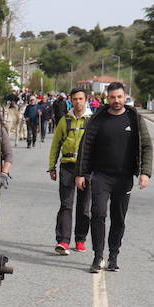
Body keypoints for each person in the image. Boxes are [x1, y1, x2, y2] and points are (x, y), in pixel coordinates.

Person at [75, 82, 153, 273]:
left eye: (119, 97)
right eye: (112, 97)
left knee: (118, 218)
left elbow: (146, 146)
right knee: (98, 214)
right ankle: (97, 256)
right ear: (107, 98)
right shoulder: (98, 119)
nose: (116, 100)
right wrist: (81, 173)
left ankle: (113, 255)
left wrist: (145, 172)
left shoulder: (134, 118)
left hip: (124, 177)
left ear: (125, 96)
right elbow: (85, 147)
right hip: (101, 176)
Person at [47, 88, 93, 255]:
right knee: (66, 205)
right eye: (75, 99)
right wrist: (52, 167)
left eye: (81, 99)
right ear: (71, 101)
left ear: (86, 100)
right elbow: (55, 145)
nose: (78, 102)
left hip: (87, 168)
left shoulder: (93, 121)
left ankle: (80, 239)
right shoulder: (64, 120)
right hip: (67, 166)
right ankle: (63, 241)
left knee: (84, 206)